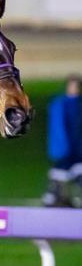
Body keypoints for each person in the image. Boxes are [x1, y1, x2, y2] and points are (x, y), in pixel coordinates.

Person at [43, 75, 82, 207]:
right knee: (60, 174)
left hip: (77, 149)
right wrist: (60, 147)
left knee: (76, 173)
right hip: (64, 149)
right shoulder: (60, 104)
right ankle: (55, 198)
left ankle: (72, 198)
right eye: (72, 86)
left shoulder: (77, 103)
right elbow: (58, 128)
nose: (74, 89)